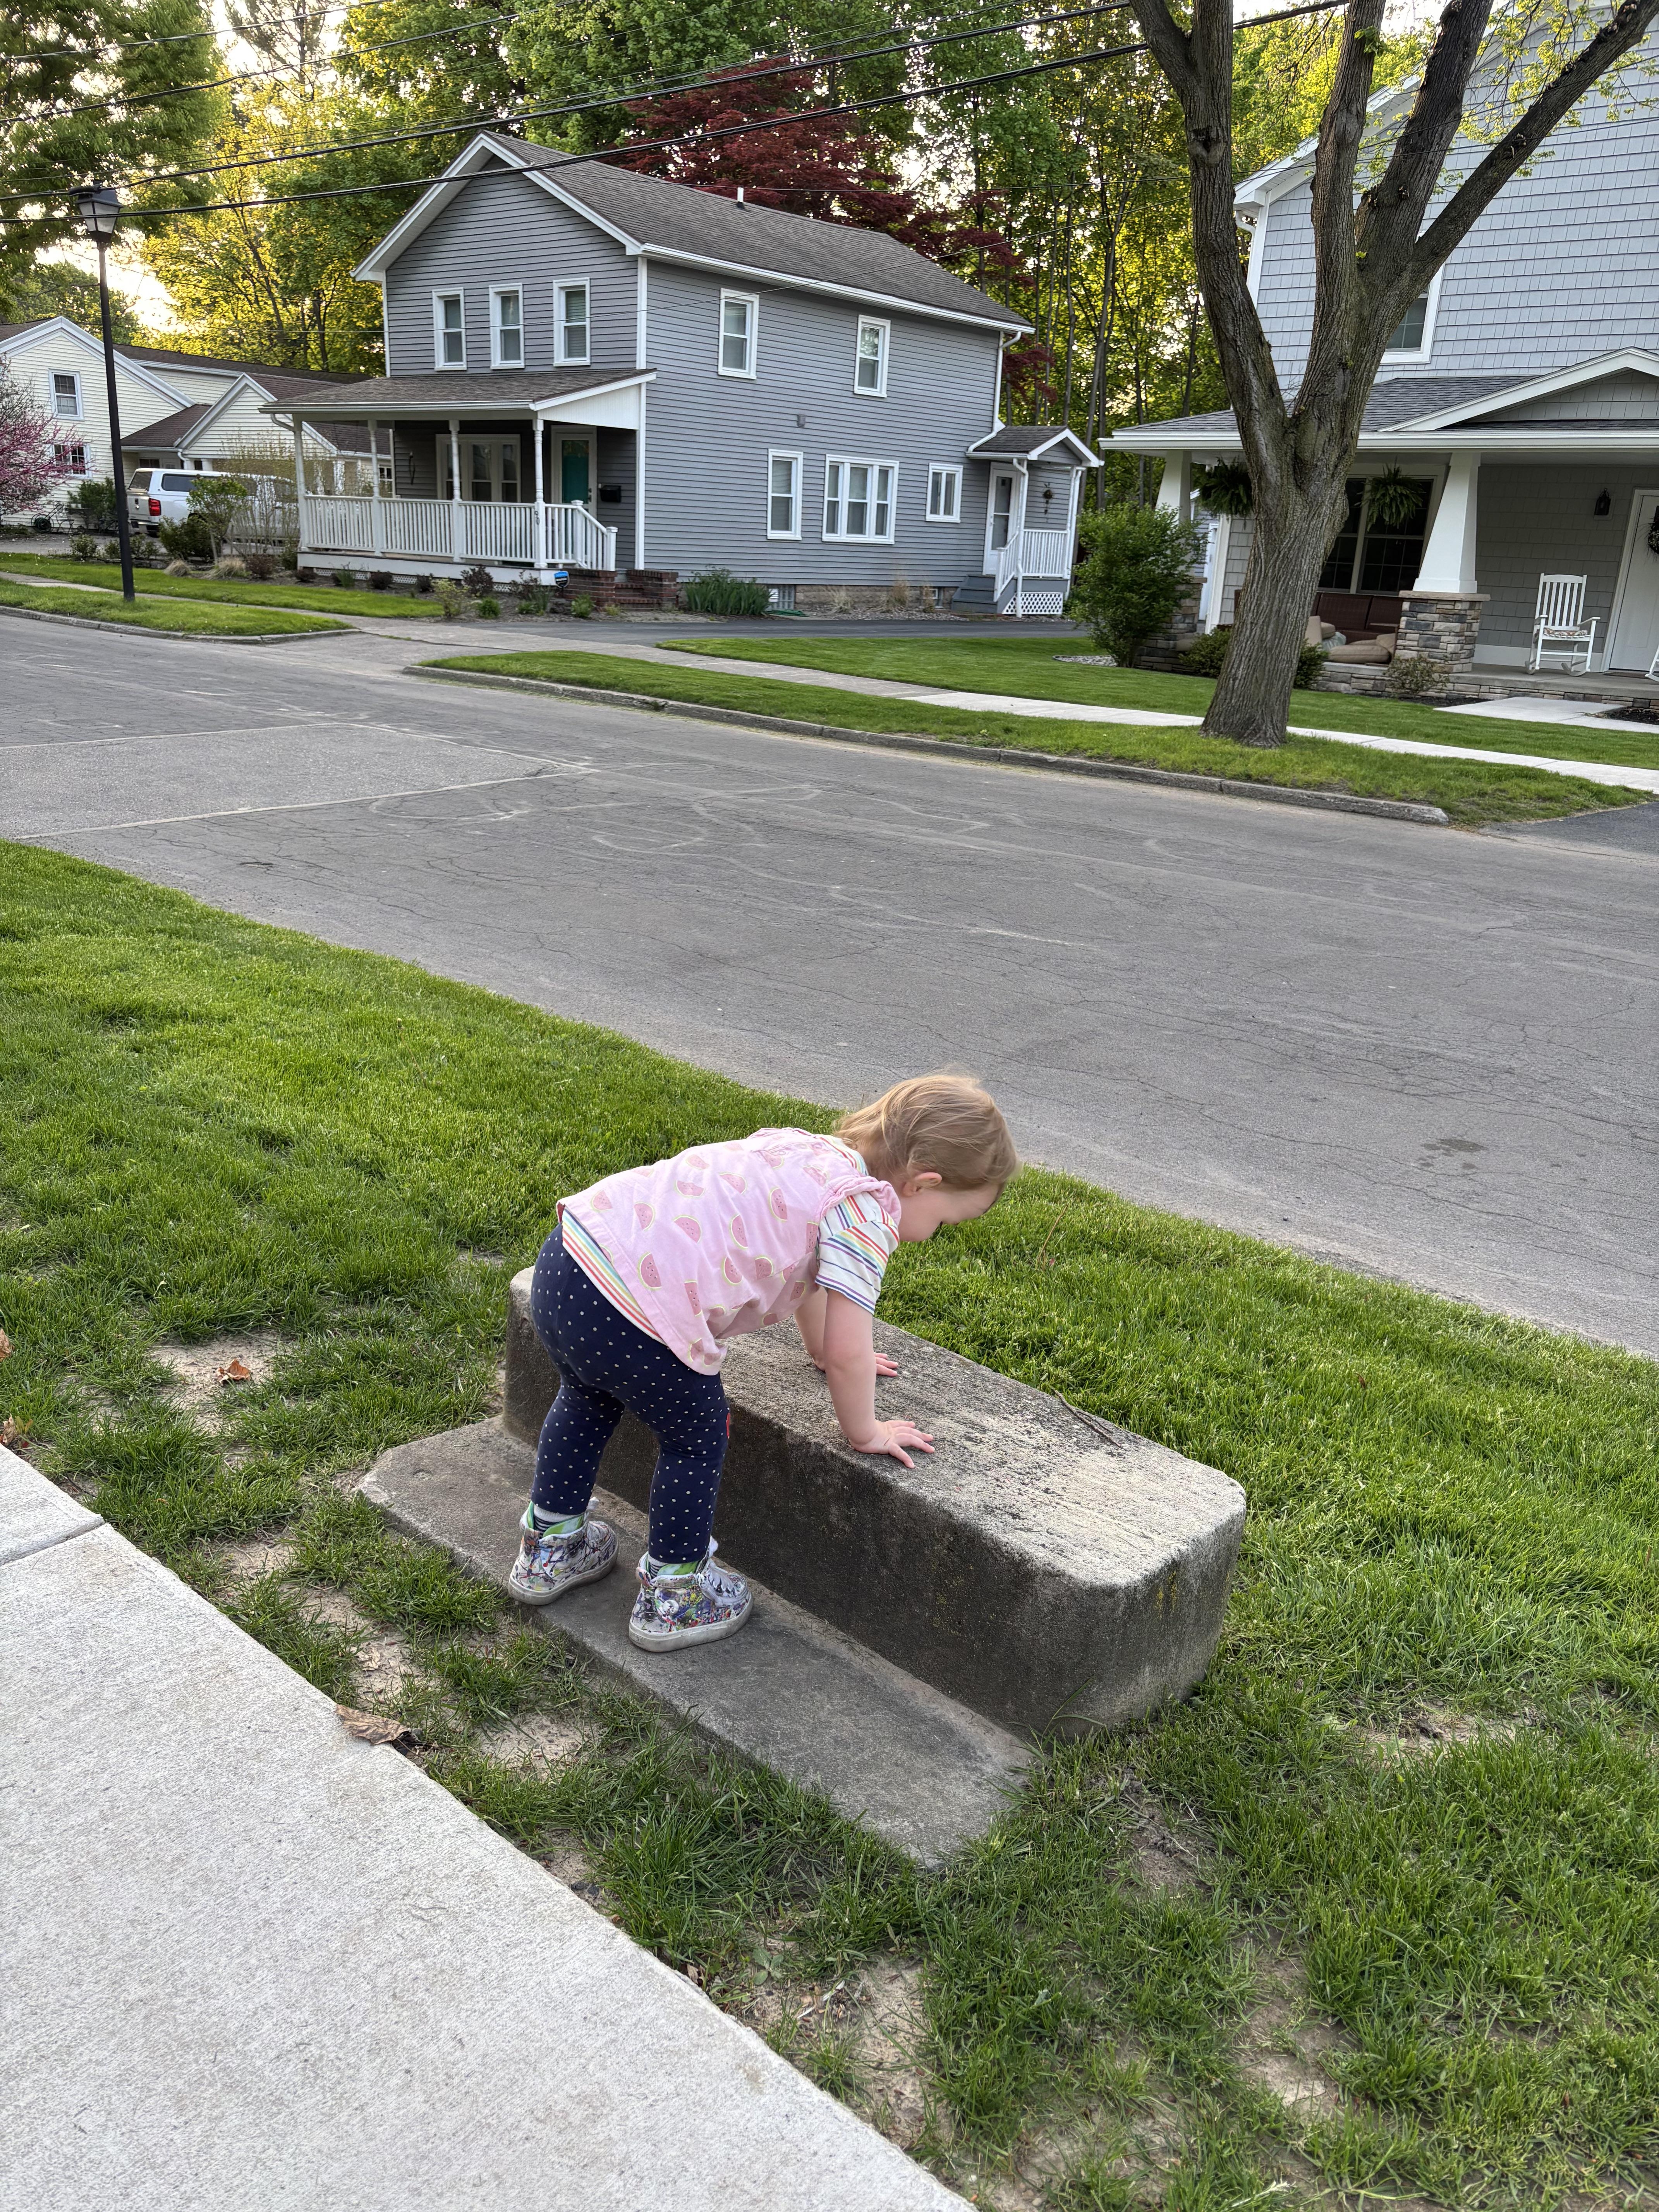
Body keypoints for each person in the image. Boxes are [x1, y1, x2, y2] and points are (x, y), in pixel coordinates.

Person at [509, 1073, 1018, 1650]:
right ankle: (677, 1596)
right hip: (641, 1313)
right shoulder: (866, 1213)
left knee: (586, 1397)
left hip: (571, 1258)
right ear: (924, 1184)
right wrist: (865, 1430)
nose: (934, 1236)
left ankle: (550, 1550)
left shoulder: (805, 1150)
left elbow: (810, 1278)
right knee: (697, 1439)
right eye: (947, 1222)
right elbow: (853, 1348)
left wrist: (818, 1349)